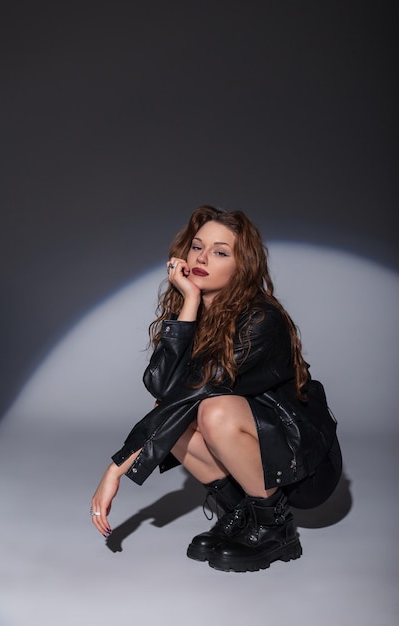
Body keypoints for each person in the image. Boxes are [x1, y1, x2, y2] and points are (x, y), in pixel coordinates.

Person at [90, 205, 334, 573]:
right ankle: (241, 512)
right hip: (258, 447)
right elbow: (161, 386)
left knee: (209, 409)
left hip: (304, 462)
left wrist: (115, 470)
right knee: (172, 408)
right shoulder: (196, 312)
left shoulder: (260, 319)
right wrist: (188, 302)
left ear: (242, 266)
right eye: (197, 247)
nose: (202, 257)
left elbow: (195, 392)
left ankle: (274, 528)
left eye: (220, 252)